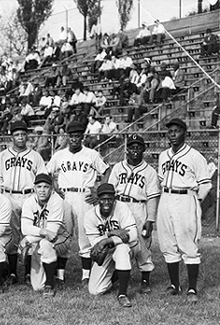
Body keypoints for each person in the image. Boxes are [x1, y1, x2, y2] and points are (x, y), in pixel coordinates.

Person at [41, 121, 110, 284]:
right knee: (63, 235)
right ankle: (60, 274)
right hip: (65, 196)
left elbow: (107, 171)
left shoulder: (91, 154)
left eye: (77, 136)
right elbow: (46, 172)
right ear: (67, 137)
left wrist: (99, 190)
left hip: (84, 196)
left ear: (82, 137)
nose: (74, 139)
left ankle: (86, 275)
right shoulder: (59, 155)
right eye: (71, 136)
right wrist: (53, 188)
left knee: (84, 236)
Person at [157, 118, 212, 302]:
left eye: (176, 131)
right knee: (167, 243)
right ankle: (174, 285)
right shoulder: (163, 155)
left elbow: (205, 185)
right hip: (166, 198)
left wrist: (195, 202)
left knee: (188, 245)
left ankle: (192, 289)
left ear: (185, 133)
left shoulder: (195, 156)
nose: (172, 134)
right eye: (170, 131)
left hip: (186, 198)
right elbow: (160, 179)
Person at [0, 121, 45, 284]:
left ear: (27, 136)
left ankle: (29, 272)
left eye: (23, 134)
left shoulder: (35, 156)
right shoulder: (3, 155)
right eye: (17, 134)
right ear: (12, 137)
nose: (20, 137)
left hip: (29, 196)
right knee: (12, 235)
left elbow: (42, 178)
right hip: (9, 196)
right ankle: (14, 272)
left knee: (30, 234)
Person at [108, 135, 160, 293]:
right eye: (132, 147)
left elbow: (152, 198)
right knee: (118, 241)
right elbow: (110, 190)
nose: (135, 150)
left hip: (138, 207)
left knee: (142, 245)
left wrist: (150, 219)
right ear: (126, 150)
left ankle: (145, 280)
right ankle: (120, 274)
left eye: (138, 147)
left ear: (144, 149)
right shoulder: (118, 167)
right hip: (119, 206)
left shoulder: (150, 171)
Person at [84, 183, 138, 308]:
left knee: (122, 250)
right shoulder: (89, 216)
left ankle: (122, 294)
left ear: (115, 198)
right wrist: (111, 233)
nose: (106, 202)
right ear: (98, 199)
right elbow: (95, 244)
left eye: (110, 199)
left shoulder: (122, 208)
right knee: (95, 290)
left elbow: (133, 234)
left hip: (127, 246)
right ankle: (118, 276)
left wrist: (106, 241)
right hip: (107, 251)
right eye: (103, 199)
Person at [20, 174, 68, 296]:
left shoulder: (57, 201)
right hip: (41, 237)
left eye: (46, 187)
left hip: (61, 237)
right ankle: (47, 272)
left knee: (46, 244)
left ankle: (50, 284)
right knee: (37, 287)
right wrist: (41, 233)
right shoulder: (29, 202)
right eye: (39, 186)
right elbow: (25, 228)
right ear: (34, 188)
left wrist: (28, 239)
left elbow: (52, 232)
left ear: (51, 188)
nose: (42, 190)